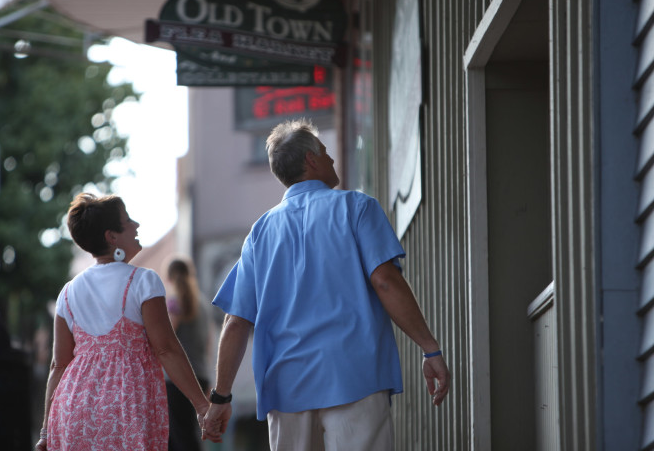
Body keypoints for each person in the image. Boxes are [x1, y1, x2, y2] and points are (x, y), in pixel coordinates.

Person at [203, 118, 451, 450]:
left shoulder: (260, 233)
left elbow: (235, 321)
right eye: (324, 151)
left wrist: (220, 396)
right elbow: (385, 282)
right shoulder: (358, 208)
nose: (331, 158)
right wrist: (429, 347)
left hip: (285, 387)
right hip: (354, 377)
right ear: (310, 160)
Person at [35, 193, 216, 450]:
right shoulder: (143, 281)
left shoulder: (68, 292)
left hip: (74, 409)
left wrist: (45, 432)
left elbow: (58, 365)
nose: (136, 226)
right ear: (112, 236)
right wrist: (201, 406)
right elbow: (166, 348)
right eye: (128, 220)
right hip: (126, 407)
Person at [163, 257, 213, 451]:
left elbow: (166, 338)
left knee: (178, 437)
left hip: (178, 379)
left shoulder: (175, 302)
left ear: (169, 277)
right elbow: (208, 344)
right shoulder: (203, 304)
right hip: (200, 377)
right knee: (189, 434)